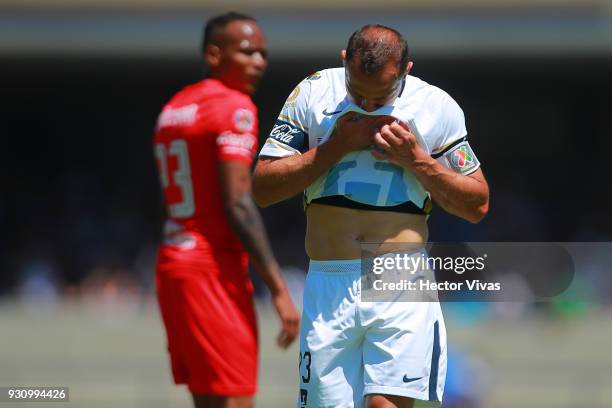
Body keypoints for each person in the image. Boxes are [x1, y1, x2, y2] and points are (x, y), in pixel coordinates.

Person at [252, 24, 489, 408]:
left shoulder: (436, 106)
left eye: (380, 97)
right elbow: (262, 187)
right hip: (329, 280)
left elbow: (477, 204)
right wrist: (334, 148)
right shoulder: (313, 91)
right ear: (344, 62)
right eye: (357, 92)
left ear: (405, 71)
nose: (367, 104)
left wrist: (418, 161)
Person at [153, 12, 300, 408]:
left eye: (263, 53)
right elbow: (238, 203)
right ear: (215, 54)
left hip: (173, 262)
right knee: (235, 400)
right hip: (211, 269)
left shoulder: (174, 107)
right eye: (248, 51)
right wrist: (279, 287)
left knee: (207, 401)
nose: (259, 61)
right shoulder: (235, 107)